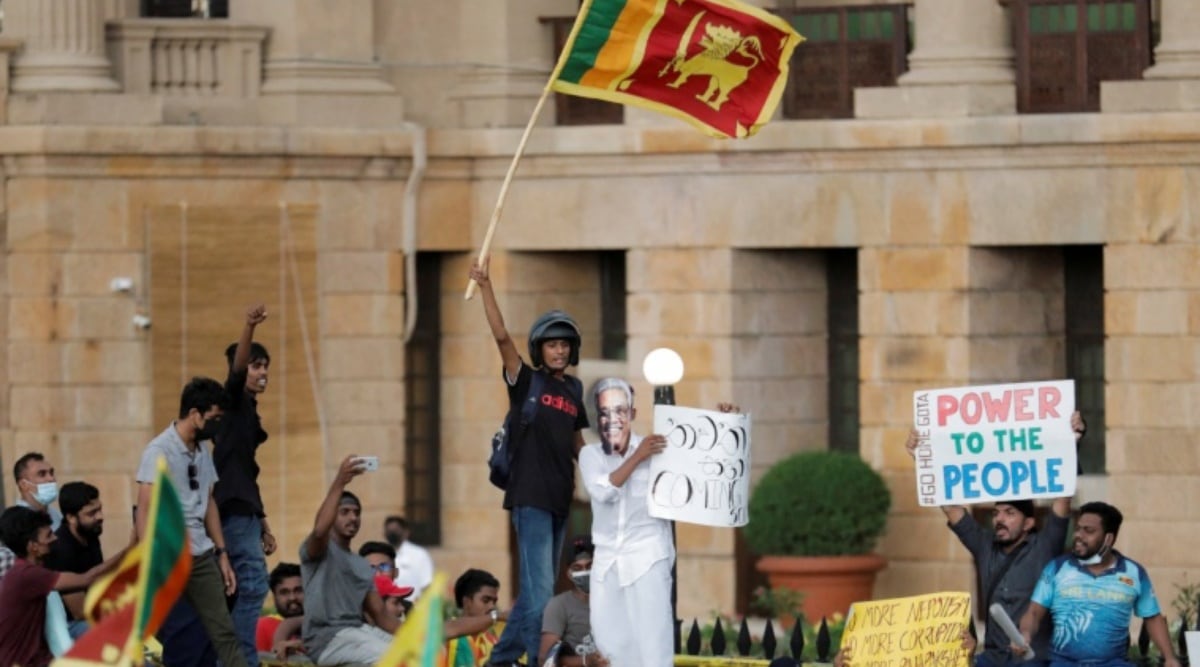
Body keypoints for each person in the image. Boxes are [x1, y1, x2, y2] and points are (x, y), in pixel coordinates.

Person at [469, 258, 590, 667]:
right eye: (552, 344)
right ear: (540, 348)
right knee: (540, 595)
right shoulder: (525, 382)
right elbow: (502, 337)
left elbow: (581, 445)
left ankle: (499, 663)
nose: (559, 350)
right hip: (529, 498)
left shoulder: (574, 389)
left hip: (560, 499)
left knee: (535, 594)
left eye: (565, 344)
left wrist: (612, 475)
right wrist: (485, 285)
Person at [904, 410, 1085, 666]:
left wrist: (1072, 442)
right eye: (996, 513)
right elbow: (951, 508)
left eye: (1010, 513)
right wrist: (922, 459)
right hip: (992, 659)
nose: (999, 519)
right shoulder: (984, 546)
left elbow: (1064, 495)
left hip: (1034, 660)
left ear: (1029, 523)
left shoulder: (1045, 546)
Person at [578, 377, 693, 667]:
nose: (612, 419)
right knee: (610, 645)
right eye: (605, 412)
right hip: (607, 564)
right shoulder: (590, 455)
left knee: (653, 643)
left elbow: (699, 469)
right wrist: (637, 458)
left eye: (620, 411)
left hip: (648, 557)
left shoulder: (656, 448)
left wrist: (726, 423)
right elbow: (602, 490)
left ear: (632, 414)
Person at [137, 377, 248, 667]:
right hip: (168, 556)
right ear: (195, 414)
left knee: (223, 630)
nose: (217, 425)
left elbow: (208, 501)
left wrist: (222, 553)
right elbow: (145, 507)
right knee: (178, 636)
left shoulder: (202, 452)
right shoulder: (159, 450)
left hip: (200, 554)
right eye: (214, 418)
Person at [1015, 502, 1181, 667]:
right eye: (1078, 528)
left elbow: (1152, 617)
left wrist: (1169, 657)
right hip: (1063, 663)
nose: (1078, 535)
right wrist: (1025, 634)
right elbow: (1034, 612)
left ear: (1109, 538)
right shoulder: (1057, 568)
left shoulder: (1134, 572)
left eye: (1089, 531)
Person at [215, 303, 276, 667]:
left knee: (239, 590)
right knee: (252, 584)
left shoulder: (248, 410)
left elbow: (247, 475)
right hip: (233, 512)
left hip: (244, 511)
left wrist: (263, 524)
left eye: (265, 365)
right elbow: (236, 373)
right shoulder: (233, 401)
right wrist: (248, 326)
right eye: (257, 365)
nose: (262, 371)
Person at [0, 506, 132, 667]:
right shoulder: (26, 575)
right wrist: (130, 550)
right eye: (48, 535)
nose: (55, 538)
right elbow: (88, 578)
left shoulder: (29, 570)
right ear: (33, 546)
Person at [299, 455, 400, 665]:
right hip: (326, 639)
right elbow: (319, 531)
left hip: (356, 633)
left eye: (357, 513)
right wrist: (340, 481)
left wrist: (423, 635)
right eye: (344, 512)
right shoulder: (319, 550)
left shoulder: (361, 565)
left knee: (410, 654)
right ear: (332, 516)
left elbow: (381, 616)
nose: (353, 518)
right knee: (391, 659)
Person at [44, 481, 105, 639]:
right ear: (71, 517)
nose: (100, 517)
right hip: (71, 625)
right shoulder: (60, 548)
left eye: (99, 509)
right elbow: (79, 612)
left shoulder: (89, 534)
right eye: (92, 513)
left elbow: (100, 580)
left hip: (94, 612)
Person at [539, 538, 602, 667]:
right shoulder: (560, 605)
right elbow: (545, 659)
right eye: (577, 568)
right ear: (569, 573)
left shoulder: (615, 602)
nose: (584, 572)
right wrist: (586, 661)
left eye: (590, 566)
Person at [446, 568, 513, 667]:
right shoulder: (446, 636)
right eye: (485, 600)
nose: (492, 607)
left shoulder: (493, 642)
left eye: (494, 602)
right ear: (467, 601)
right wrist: (496, 616)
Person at [256, 562, 305, 659]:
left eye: (298, 590)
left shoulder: (324, 622)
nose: (292, 598)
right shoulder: (262, 627)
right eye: (284, 592)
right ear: (274, 597)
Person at [385, 515, 434, 599]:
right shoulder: (382, 554)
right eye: (389, 531)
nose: (392, 533)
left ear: (406, 532)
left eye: (396, 530)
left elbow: (427, 584)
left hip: (414, 608)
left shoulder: (419, 554)